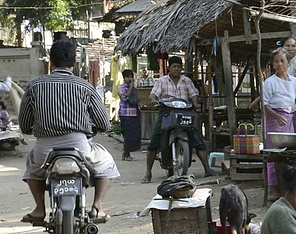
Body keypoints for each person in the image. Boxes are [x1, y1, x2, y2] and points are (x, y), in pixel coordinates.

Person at [18, 40, 119, 223]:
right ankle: (97, 207)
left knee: (33, 170)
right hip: (79, 146)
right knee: (107, 163)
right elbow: (104, 122)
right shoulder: (85, 86)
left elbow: (24, 125)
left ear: (51, 62)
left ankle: (40, 209)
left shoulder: (35, 86)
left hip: (44, 148)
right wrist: (97, 128)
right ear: (74, 63)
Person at [143, 56, 214, 183]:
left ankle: (207, 169)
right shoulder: (162, 81)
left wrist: (196, 103)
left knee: (198, 139)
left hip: (184, 111)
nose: (177, 69)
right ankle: (148, 173)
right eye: (174, 66)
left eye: (179, 67)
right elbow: (153, 94)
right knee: (154, 141)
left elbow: (193, 95)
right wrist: (154, 100)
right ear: (169, 68)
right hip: (166, 111)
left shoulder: (186, 81)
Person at [263, 48, 296, 200]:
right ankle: (273, 188)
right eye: (276, 61)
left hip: (290, 118)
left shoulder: (294, 82)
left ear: (288, 62)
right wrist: (277, 116)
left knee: (290, 154)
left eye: (282, 61)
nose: (279, 64)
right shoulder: (270, 82)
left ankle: (289, 187)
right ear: (272, 65)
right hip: (274, 120)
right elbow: (265, 105)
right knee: (273, 154)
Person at [118, 69, 141, 161]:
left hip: (134, 113)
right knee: (127, 134)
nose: (130, 79)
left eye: (131, 77)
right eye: (128, 77)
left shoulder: (134, 88)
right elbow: (125, 97)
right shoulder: (122, 87)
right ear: (124, 78)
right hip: (125, 114)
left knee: (133, 134)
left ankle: (127, 153)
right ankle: (126, 154)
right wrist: (131, 86)